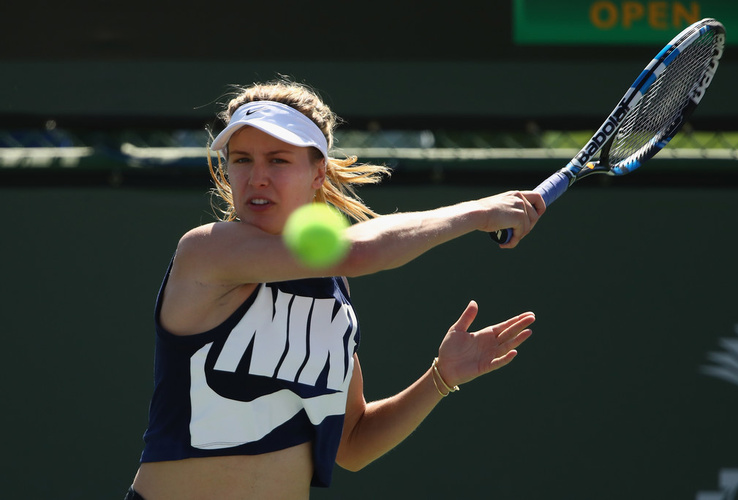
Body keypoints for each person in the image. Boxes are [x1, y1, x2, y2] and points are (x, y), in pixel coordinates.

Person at [127, 79, 545, 500]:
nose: (257, 178)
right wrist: (477, 211)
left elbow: (353, 443)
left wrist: (440, 377)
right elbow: (359, 251)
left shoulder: (331, 290)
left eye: (277, 160)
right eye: (241, 159)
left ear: (317, 173)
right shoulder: (207, 249)